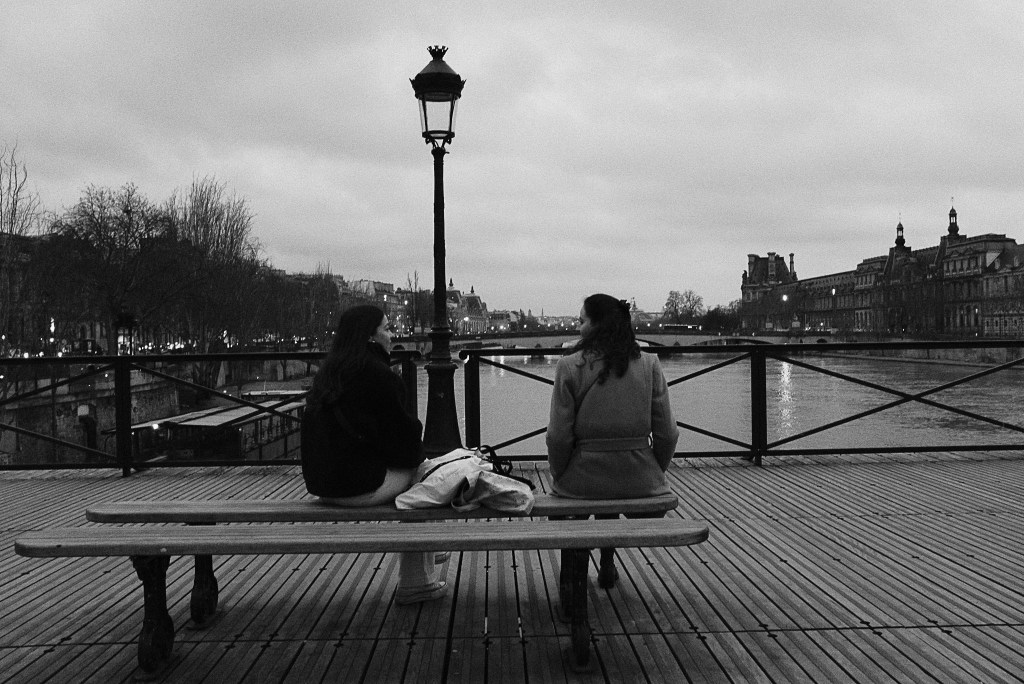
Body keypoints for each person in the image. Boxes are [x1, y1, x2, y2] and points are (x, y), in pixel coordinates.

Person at [301, 304, 446, 605]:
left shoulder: (329, 372)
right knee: (421, 479)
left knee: (419, 470)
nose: (393, 335)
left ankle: (430, 544)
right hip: (355, 486)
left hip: (321, 484)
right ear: (370, 337)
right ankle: (416, 581)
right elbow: (404, 446)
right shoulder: (379, 375)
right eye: (387, 328)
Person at [546, 293, 679, 588]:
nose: (577, 327)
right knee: (613, 476)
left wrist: (561, 473)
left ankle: (572, 571)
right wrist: (652, 466)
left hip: (584, 477)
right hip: (639, 479)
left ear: (595, 326)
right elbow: (668, 432)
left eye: (581, 321)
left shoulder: (569, 367)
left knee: (586, 488)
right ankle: (608, 562)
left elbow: (558, 437)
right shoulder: (650, 364)